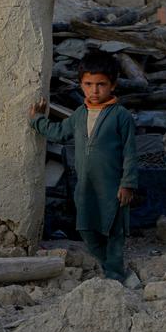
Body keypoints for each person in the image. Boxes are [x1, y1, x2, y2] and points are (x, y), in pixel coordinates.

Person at [28, 51, 138, 282]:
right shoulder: (80, 114)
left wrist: (127, 183)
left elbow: (130, 152)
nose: (94, 91)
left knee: (114, 231)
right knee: (87, 227)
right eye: (88, 84)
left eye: (101, 85)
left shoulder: (121, 116)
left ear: (113, 85)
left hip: (113, 186)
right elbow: (59, 132)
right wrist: (37, 120)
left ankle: (115, 274)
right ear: (80, 85)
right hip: (86, 185)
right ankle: (105, 263)